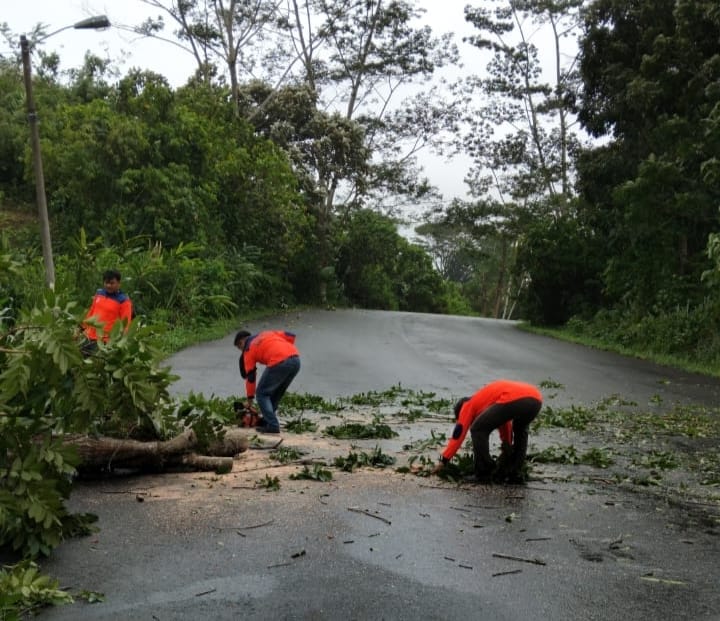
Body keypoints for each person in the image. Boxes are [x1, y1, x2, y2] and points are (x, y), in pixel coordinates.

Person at [432, 380, 542, 483]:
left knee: (477, 429)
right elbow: (504, 423)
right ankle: (514, 472)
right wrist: (507, 446)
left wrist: (444, 460)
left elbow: (458, 433)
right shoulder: (485, 401)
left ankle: (483, 473)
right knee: (520, 431)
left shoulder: (468, 404)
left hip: (515, 398)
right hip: (535, 398)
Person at [234, 329, 301, 434]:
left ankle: (273, 425)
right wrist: (284, 349)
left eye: (239, 347)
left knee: (261, 393)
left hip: (278, 361)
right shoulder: (266, 334)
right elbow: (290, 335)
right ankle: (267, 421)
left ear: (241, 342)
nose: (241, 350)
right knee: (276, 393)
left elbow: (250, 377)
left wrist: (250, 400)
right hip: (295, 360)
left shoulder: (248, 350)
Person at [81, 269, 133, 355]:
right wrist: (81, 328)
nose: (108, 285)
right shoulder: (99, 293)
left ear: (119, 283)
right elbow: (91, 311)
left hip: (105, 341)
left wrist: (122, 342)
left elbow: (126, 323)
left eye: (112, 283)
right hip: (88, 336)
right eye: (106, 283)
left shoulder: (124, 301)